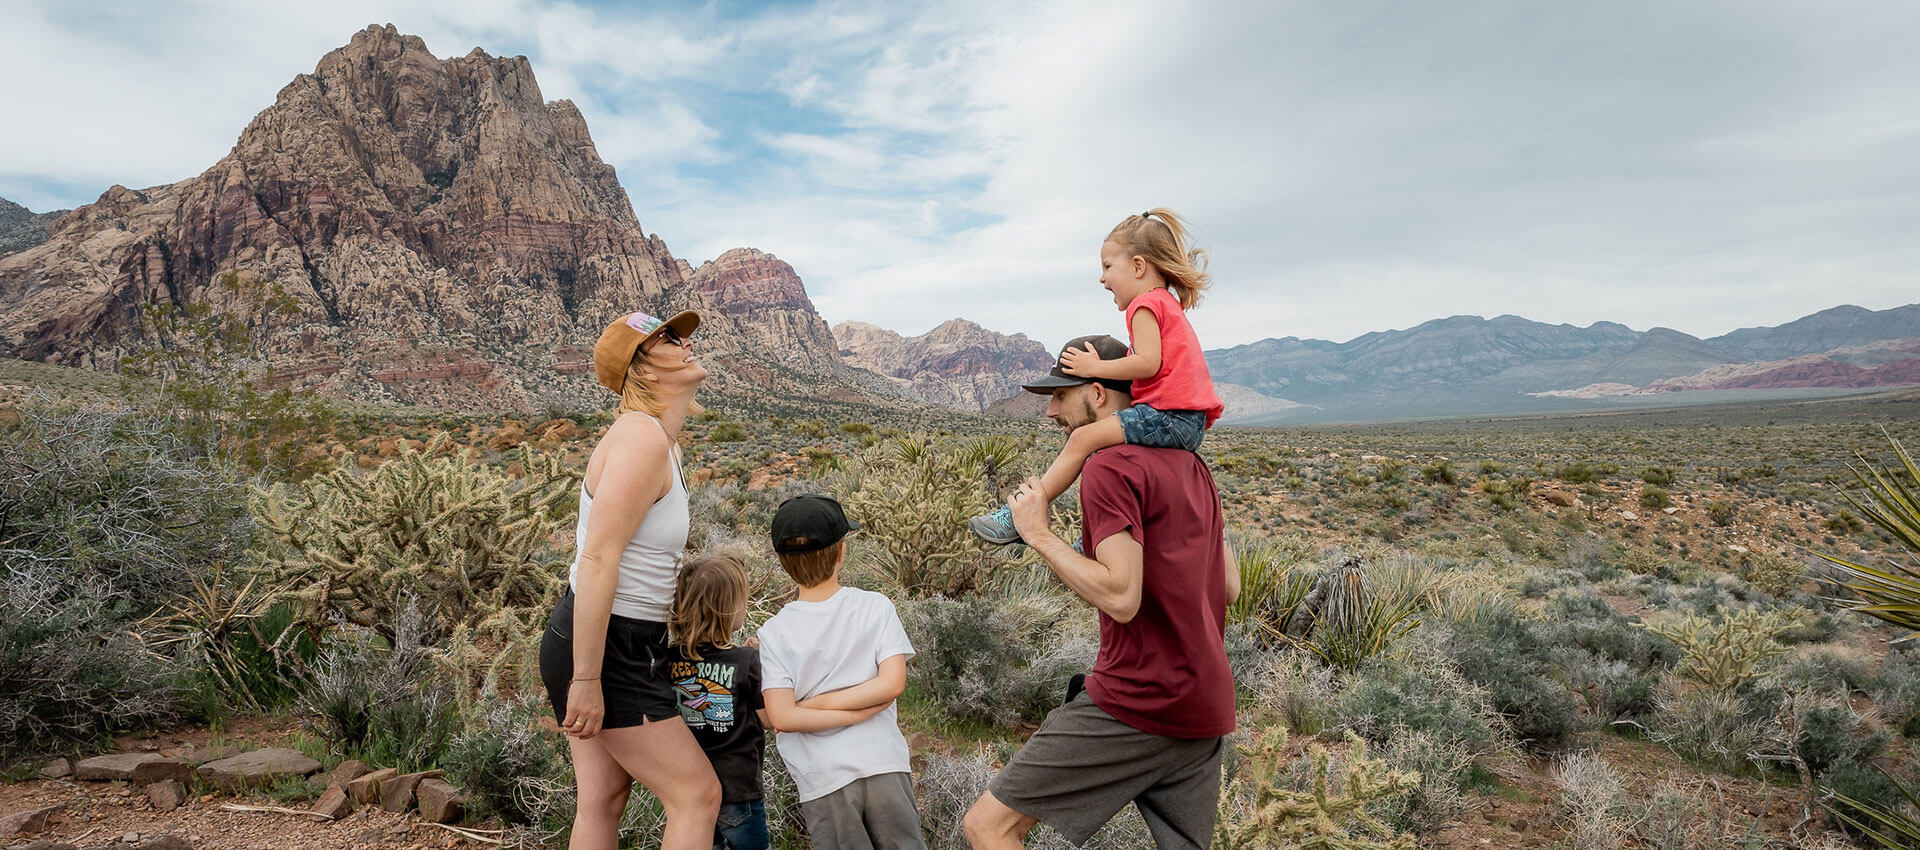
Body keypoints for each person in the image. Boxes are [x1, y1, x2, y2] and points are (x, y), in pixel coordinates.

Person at [962, 336, 1239, 850]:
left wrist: (1038, 533)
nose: (1049, 412)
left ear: (1097, 393)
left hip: (1140, 700)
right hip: (1204, 705)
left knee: (988, 826)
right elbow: (1230, 586)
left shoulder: (1109, 466)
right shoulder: (1193, 468)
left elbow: (1120, 596)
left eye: (1058, 396)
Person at [537, 309, 721, 850]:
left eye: (678, 333)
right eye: (664, 338)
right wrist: (588, 680)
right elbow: (597, 561)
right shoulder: (642, 440)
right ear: (640, 369)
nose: (682, 342)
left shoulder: (662, 442)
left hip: (606, 636)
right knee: (696, 794)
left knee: (602, 798)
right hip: (608, 645)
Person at [970, 208, 1225, 545]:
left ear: (1137, 266)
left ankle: (1019, 515)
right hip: (1187, 422)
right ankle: (1096, 538)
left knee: (1081, 440)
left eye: (1107, 267)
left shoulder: (1144, 305)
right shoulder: (1167, 304)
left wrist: (1095, 369)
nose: (1103, 278)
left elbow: (1149, 363)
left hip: (1170, 417)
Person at [757, 494, 928, 850]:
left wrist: (811, 705)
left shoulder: (773, 634)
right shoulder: (875, 607)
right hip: (882, 761)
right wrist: (861, 711)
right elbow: (892, 682)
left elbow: (782, 717)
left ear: (781, 562)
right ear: (841, 552)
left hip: (823, 778)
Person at [667, 553, 771, 850]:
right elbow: (769, 719)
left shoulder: (667, 660)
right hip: (739, 791)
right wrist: (764, 664)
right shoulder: (747, 661)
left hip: (686, 792)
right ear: (726, 610)